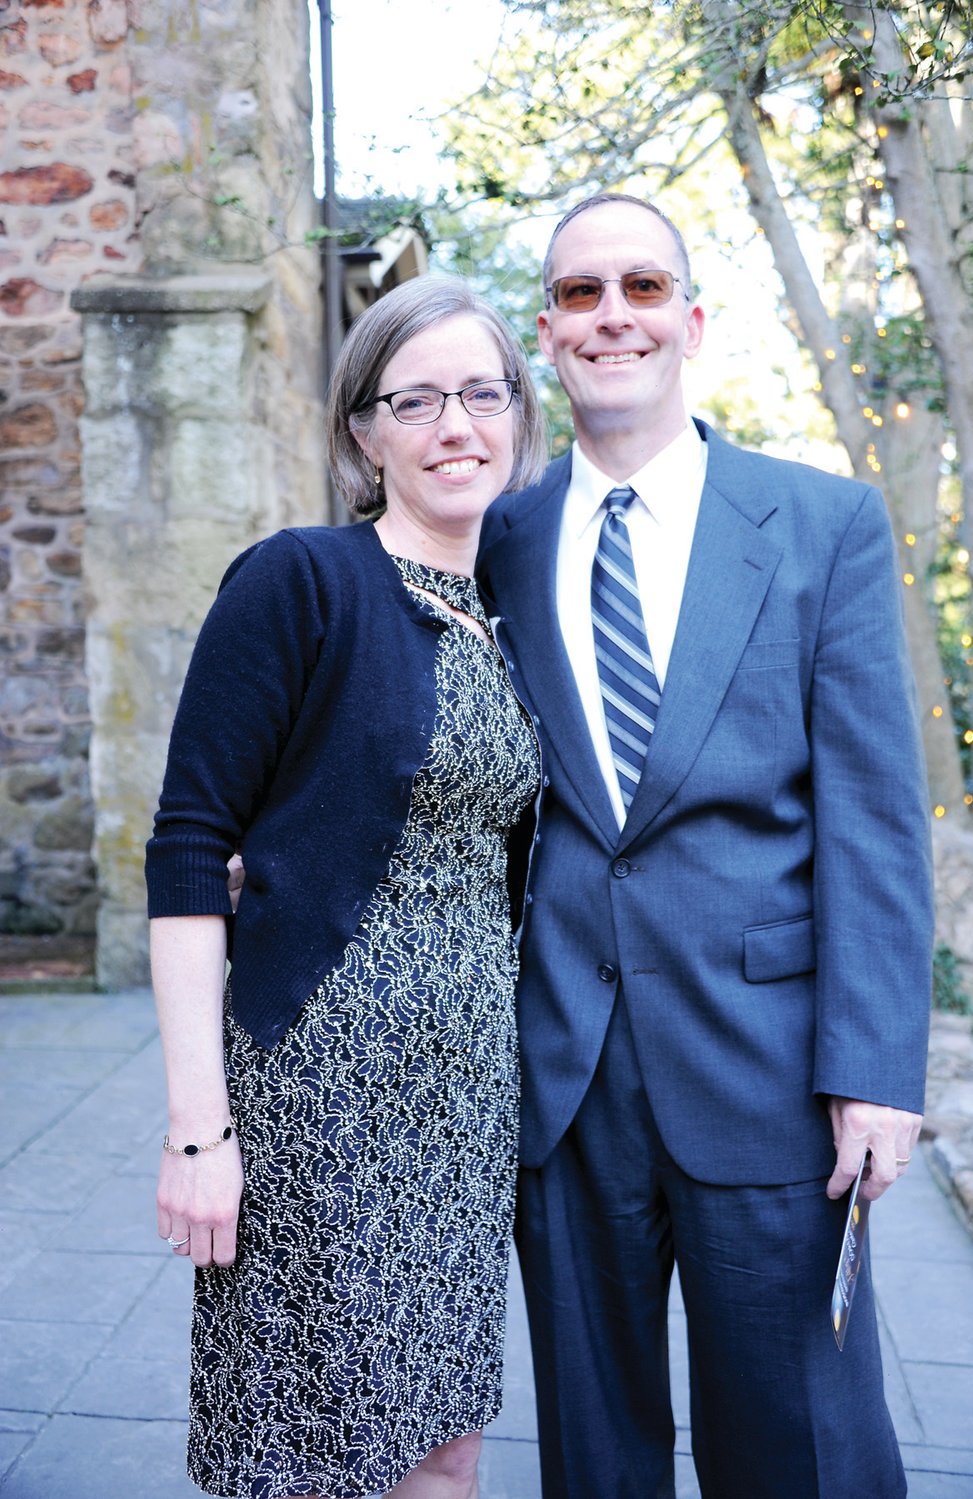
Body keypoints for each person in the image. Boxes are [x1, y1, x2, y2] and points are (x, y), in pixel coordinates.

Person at [476, 193, 933, 1499]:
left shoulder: (819, 523)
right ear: (547, 333)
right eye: (576, 293)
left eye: (638, 284)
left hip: (770, 1065)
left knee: (796, 1438)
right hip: (561, 1069)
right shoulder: (498, 537)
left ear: (690, 316)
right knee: (592, 1445)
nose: (608, 313)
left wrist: (876, 1068)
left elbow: (873, 818)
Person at [145, 274, 547, 1499]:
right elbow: (185, 845)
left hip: (467, 1101)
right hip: (317, 1097)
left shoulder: (507, 611)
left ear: (521, 415)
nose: (453, 425)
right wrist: (197, 1129)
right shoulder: (301, 581)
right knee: (310, 1453)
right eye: (413, 400)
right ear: (363, 431)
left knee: (444, 1441)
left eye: (481, 392)